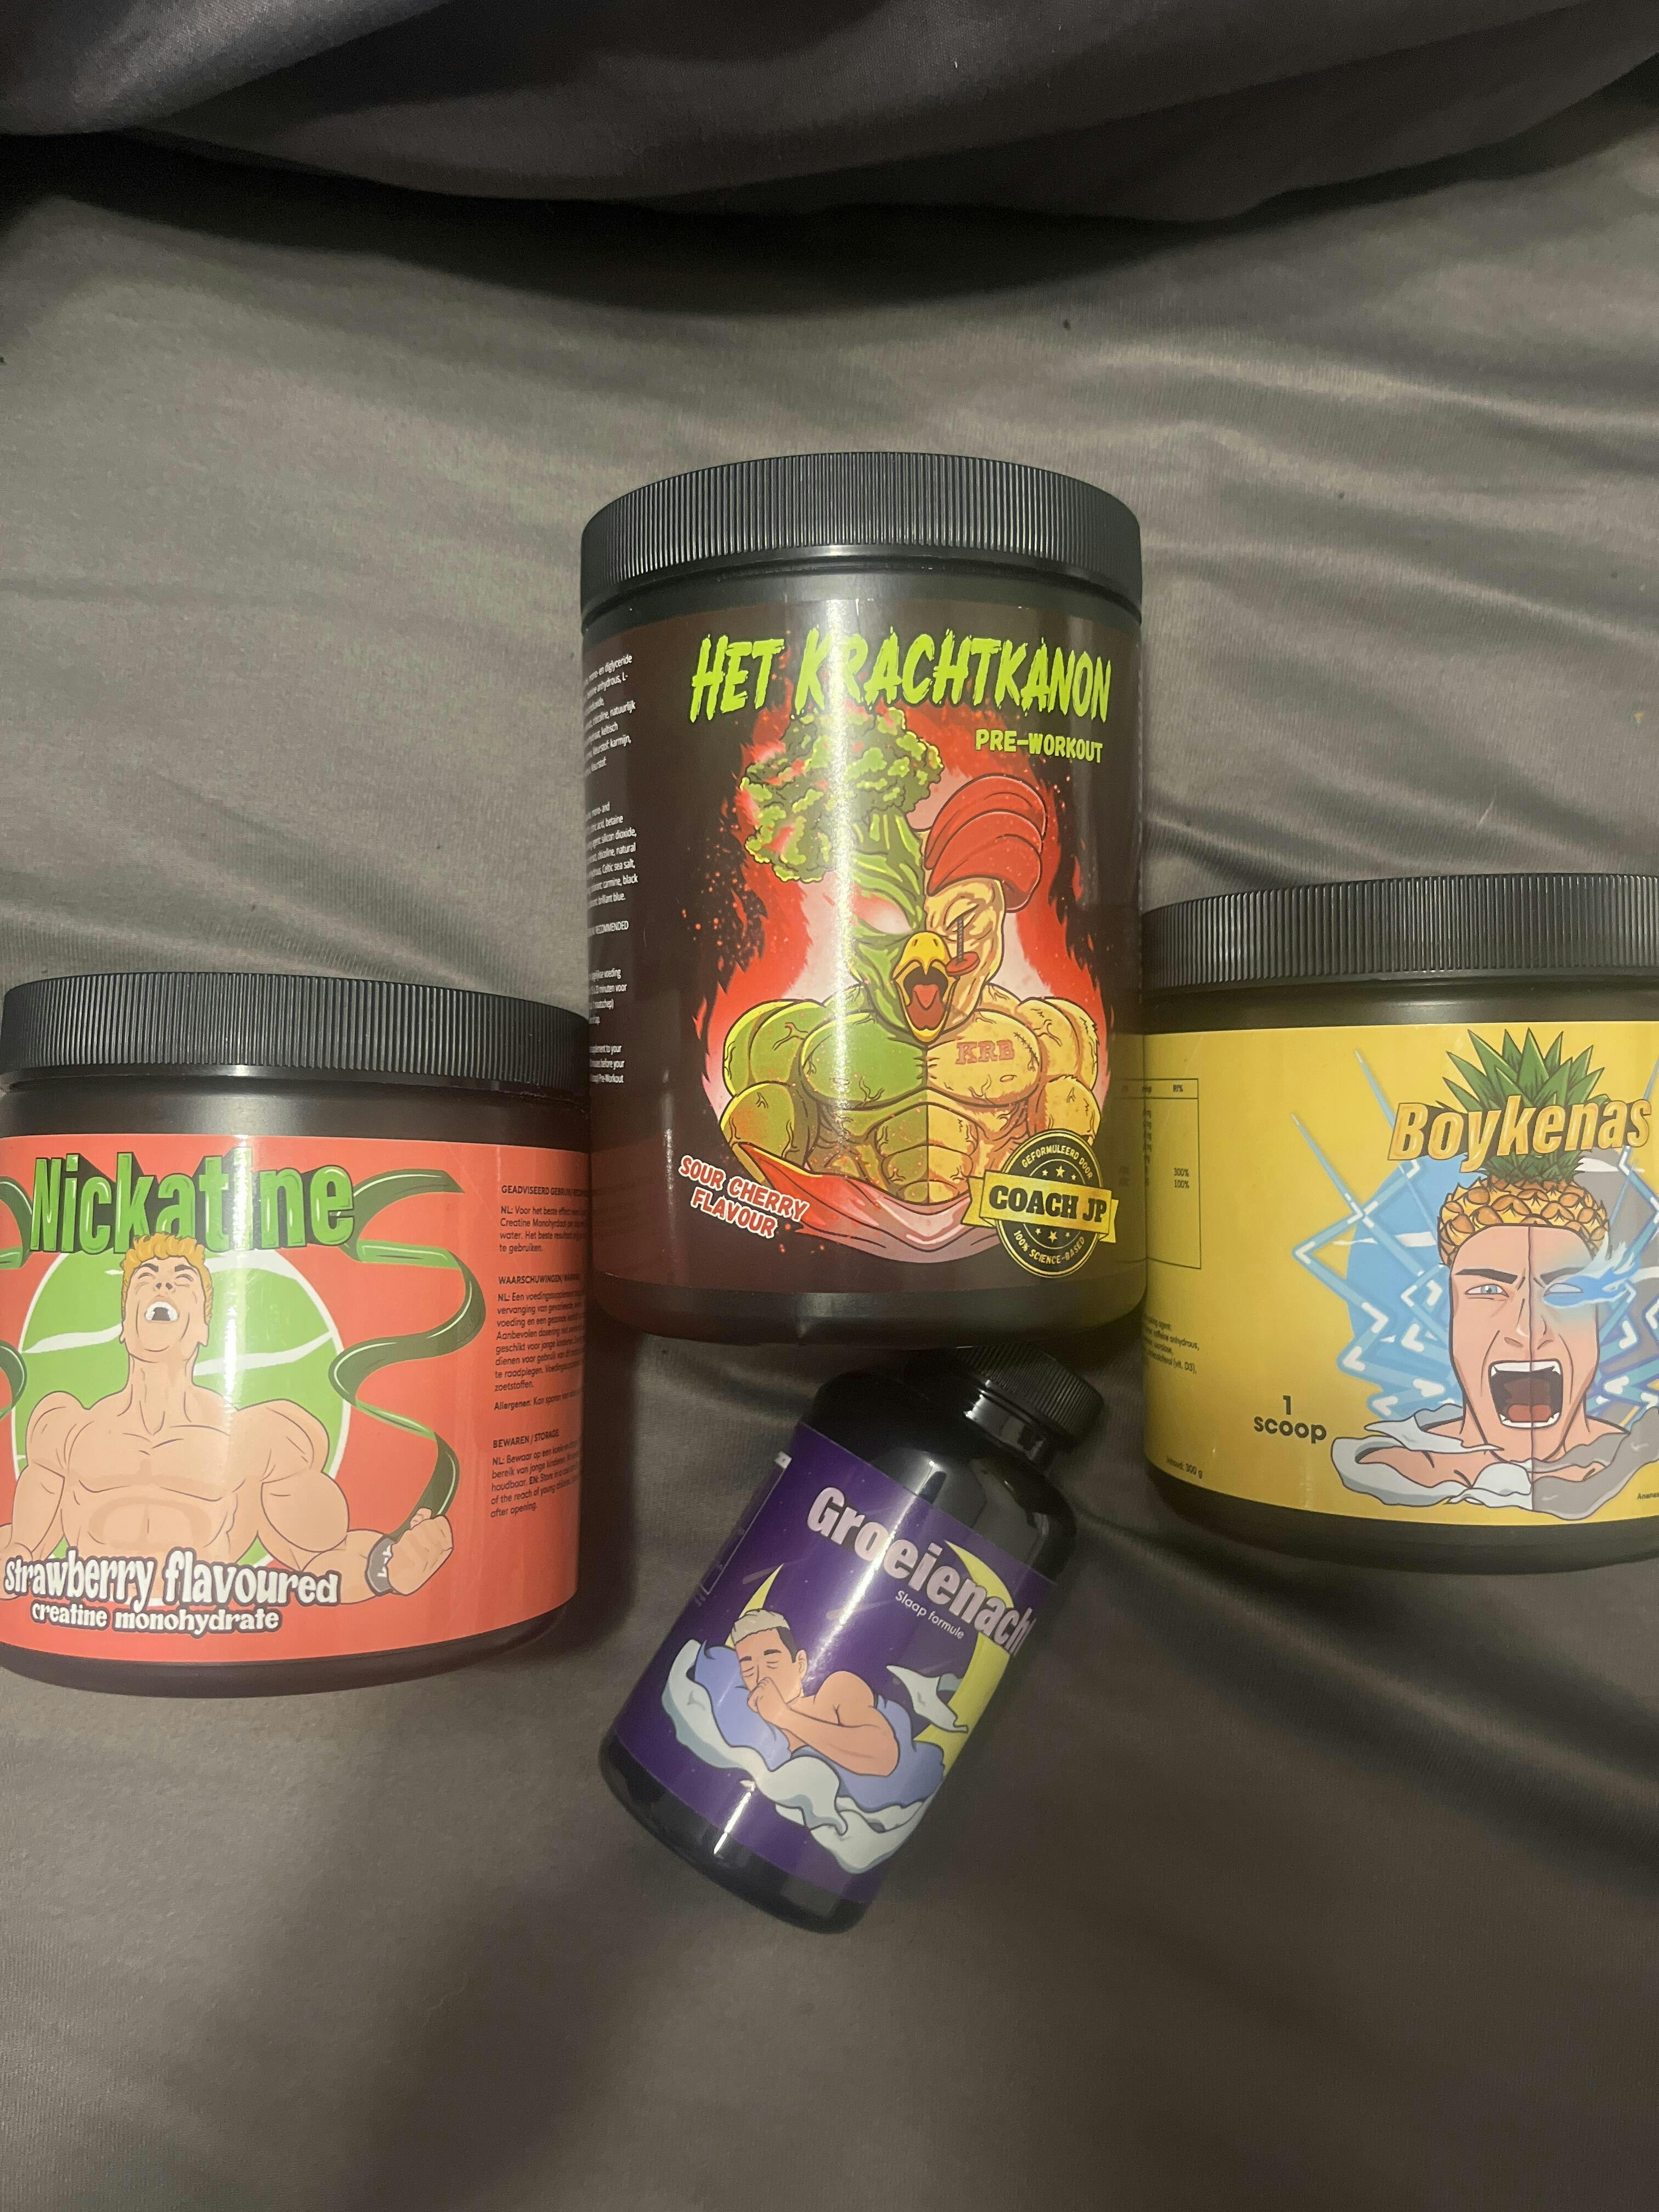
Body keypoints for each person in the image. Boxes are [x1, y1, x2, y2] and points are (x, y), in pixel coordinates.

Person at [0, 1233, 451, 1601]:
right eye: (146, 1279)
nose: (162, 1287)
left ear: (204, 1327)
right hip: (94, 1627)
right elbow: (18, 1557)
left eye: (182, 1280)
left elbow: (322, 1564)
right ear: (124, 1323)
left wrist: (388, 1568)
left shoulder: (260, 1439)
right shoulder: (65, 1429)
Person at [727, 1609, 900, 1778]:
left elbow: (884, 1757)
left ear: (800, 1664)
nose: (761, 1677)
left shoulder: (837, 1692)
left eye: (772, 1662)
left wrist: (784, 1716)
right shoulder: (743, 1726)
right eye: (748, 1669)